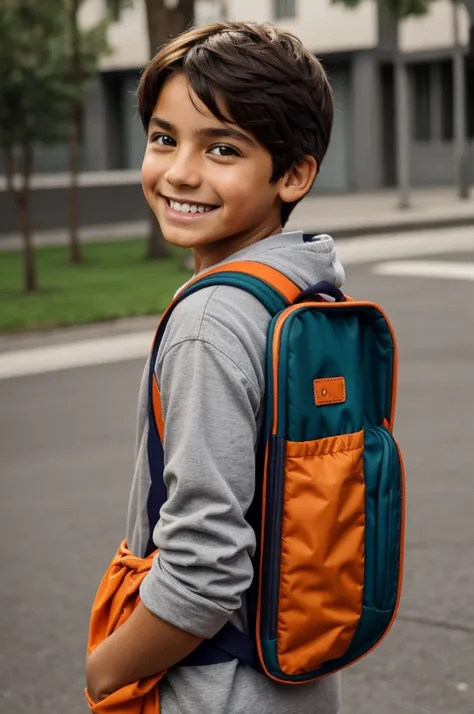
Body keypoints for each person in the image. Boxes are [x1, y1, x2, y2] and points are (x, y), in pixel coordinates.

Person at [86, 20, 344, 714]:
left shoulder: (210, 322)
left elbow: (206, 566)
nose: (180, 171)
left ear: (293, 174)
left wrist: (106, 669)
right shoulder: (312, 292)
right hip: (298, 673)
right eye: (164, 138)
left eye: (222, 147)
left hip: (214, 688)